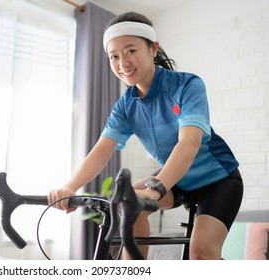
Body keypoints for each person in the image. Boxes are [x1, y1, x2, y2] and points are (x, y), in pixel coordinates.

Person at [48, 11, 243, 260]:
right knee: (127, 203)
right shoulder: (125, 106)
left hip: (218, 180)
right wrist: (69, 187)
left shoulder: (187, 86)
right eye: (114, 56)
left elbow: (189, 143)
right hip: (177, 181)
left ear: (153, 49)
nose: (123, 63)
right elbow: (101, 151)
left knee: (202, 252)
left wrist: (157, 187)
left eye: (131, 50)